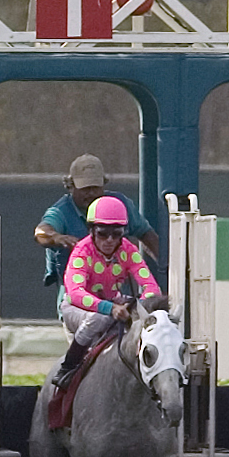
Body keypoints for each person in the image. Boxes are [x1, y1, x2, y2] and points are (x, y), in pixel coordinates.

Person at [48, 197, 162, 387]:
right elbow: (75, 293)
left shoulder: (128, 250)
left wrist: (138, 306)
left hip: (113, 302)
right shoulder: (81, 251)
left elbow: (151, 288)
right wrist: (110, 308)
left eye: (116, 233)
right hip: (77, 308)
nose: (109, 240)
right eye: (102, 233)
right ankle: (67, 368)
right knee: (99, 318)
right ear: (91, 230)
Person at [35, 155, 160, 317]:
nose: (92, 193)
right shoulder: (61, 212)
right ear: (71, 186)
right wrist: (56, 237)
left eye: (96, 187)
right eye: (85, 188)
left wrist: (168, 266)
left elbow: (147, 235)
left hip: (120, 299)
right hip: (79, 304)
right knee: (95, 323)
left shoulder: (120, 205)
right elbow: (41, 232)